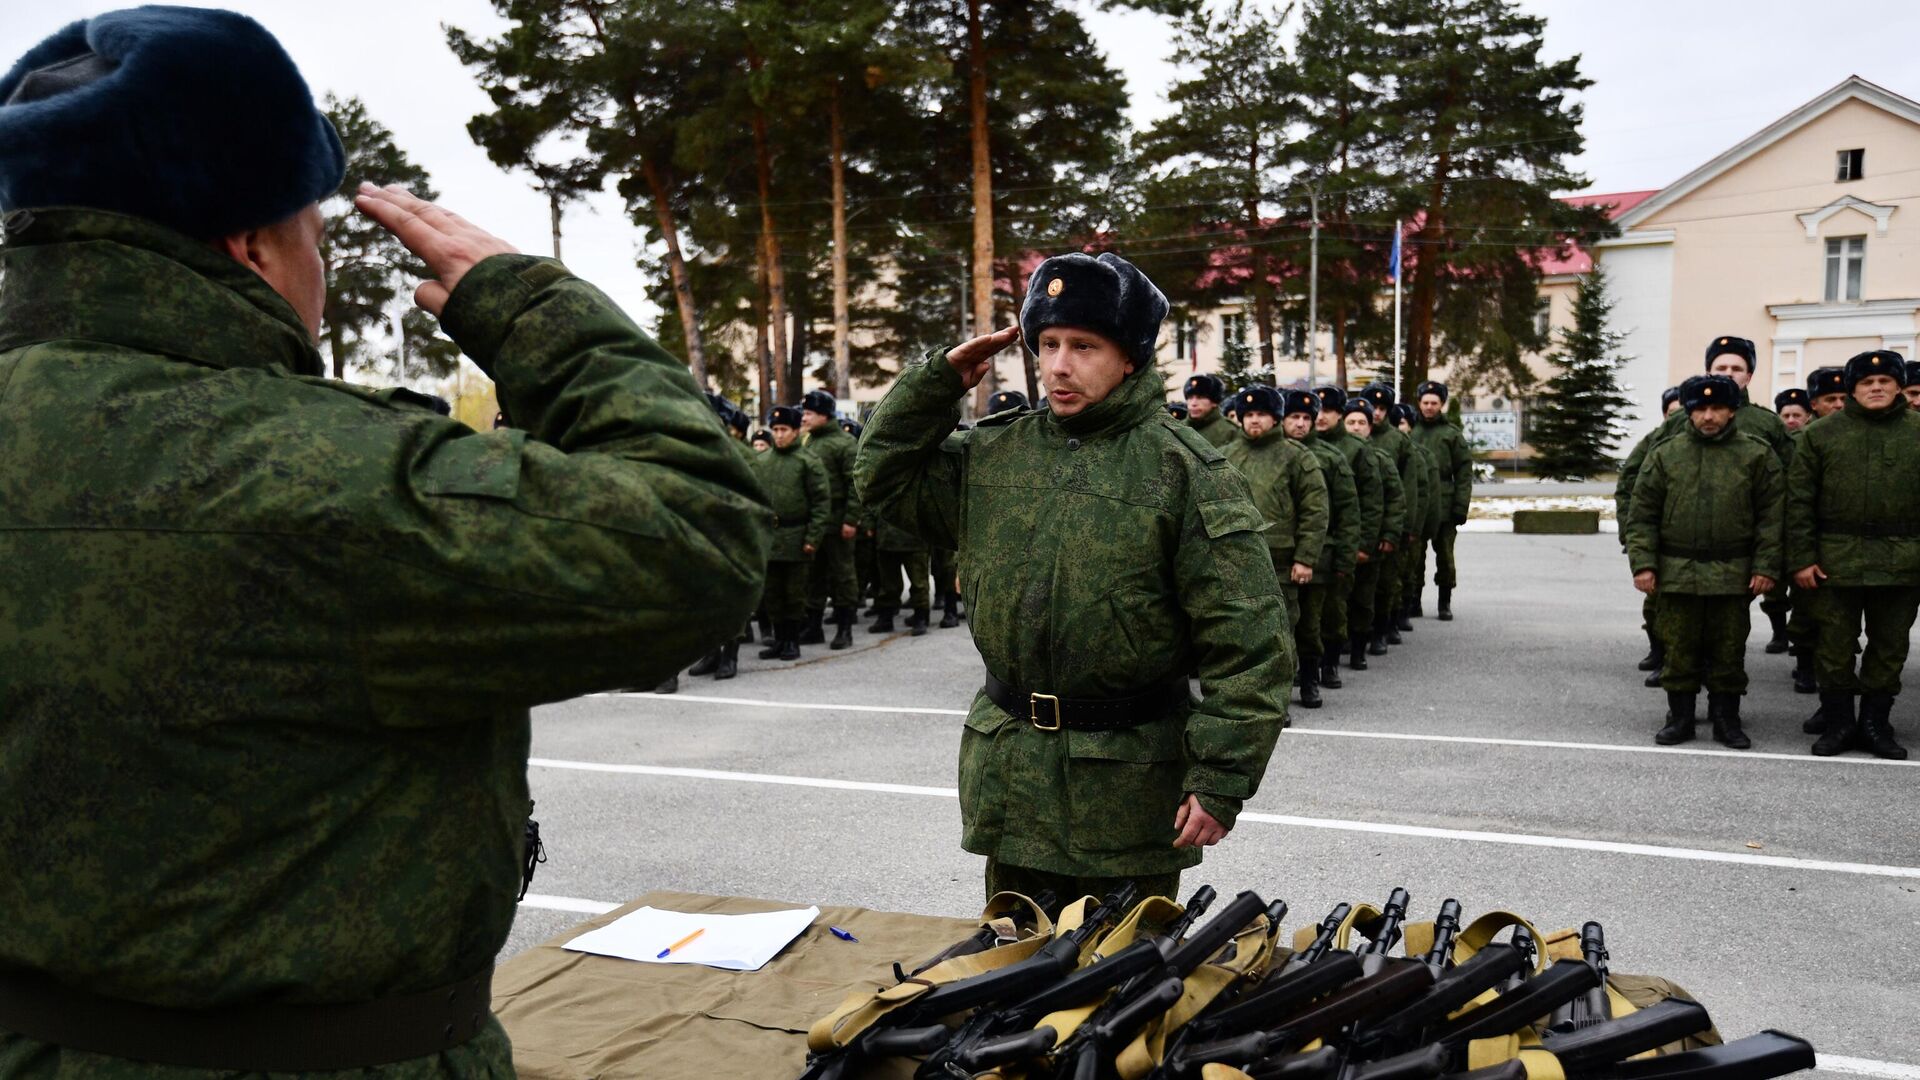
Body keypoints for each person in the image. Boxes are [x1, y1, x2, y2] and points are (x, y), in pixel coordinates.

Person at [0, 9, 772, 1075]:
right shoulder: (322, 474)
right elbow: (702, 540)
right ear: (252, 241)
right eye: (313, 230)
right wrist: (533, 304)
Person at [857, 252, 1290, 908]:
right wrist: (934, 384)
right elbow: (881, 482)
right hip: (1011, 771)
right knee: (1011, 969)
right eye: (1048, 343)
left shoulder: (1184, 473)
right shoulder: (995, 454)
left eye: (1084, 345)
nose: (1059, 365)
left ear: (1131, 358)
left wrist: (1222, 775)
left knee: (1123, 980)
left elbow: (1250, 644)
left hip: (1128, 785)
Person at [1625, 375, 1784, 748]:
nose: (1709, 416)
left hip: (1733, 573)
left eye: (1718, 408)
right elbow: (1642, 514)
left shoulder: (1757, 455)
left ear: (1732, 411)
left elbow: (1772, 517)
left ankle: (1727, 718)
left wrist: (1765, 566)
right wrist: (1644, 564)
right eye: (1701, 409)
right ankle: (1679, 717)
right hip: (1677, 572)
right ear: (1690, 413)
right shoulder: (1665, 454)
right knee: (1679, 648)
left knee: (1729, 648)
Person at [1786, 350, 1918, 759]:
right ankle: (1840, 722)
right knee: (1834, 646)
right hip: (1834, 561)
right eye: (1866, 383)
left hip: (1903, 561)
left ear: (1898, 386)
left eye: (1884, 381)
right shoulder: (1821, 434)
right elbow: (1798, 502)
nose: (1876, 387)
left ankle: (1876, 724)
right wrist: (1802, 558)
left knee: (1890, 646)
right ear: (1853, 389)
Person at [1225, 386, 1329, 710]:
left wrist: (1305, 558)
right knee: (1240, 632)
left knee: (1282, 631)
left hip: (1280, 560)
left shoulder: (1297, 456)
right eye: (1249, 415)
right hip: (1235, 560)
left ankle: (1280, 699)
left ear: (1275, 419)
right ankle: (1243, 696)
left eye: (1262, 415)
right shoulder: (1225, 455)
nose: (1254, 421)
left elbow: (1315, 510)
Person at [1283, 390, 1356, 708]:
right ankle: (1284, 683)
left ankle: (1311, 678)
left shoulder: (1328, 458)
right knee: (1280, 627)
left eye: (1305, 419)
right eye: (1293, 417)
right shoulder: (1270, 455)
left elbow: (1346, 512)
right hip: (1275, 557)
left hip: (1318, 557)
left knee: (1311, 624)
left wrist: (1344, 558)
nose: (1300, 424)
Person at [1617, 386, 1686, 685]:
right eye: (1674, 413)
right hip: (1657, 541)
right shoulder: (1653, 445)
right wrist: (1629, 538)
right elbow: (1628, 488)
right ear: (1664, 415)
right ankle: (1660, 653)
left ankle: (1674, 662)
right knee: (1656, 606)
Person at [1315, 386, 1384, 675]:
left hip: (1343, 537)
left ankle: (1348, 652)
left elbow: (1370, 502)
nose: (1320, 417)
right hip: (1313, 540)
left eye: (1327, 412)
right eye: (1317, 411)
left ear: (1339, 415)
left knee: (1343, 604)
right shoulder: (1302, 448)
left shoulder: (1357, 450)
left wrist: (1364, 543)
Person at [756, 406, 832, 661]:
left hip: (797, 537)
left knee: (795, 593)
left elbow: (821, 503)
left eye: (784, 430)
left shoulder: (808, 462)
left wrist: (812, 538)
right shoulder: (762, 461)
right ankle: (778, 639)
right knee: (772, 594)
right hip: (770, 538)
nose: (778, 435)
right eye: (775, 430)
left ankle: (791, 641)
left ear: (796, 431)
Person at [800, 388, 863, 650]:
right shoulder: (809, 441)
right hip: (816, 522)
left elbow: (856, 484)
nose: (803, 418)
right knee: (815, 575)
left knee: (842, 574)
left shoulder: (844, 444)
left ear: (824, 415)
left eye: (809, 413)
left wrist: (851, 519)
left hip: (838, 521)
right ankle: (814, 627)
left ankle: (844, 629)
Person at [1408, 381, 1473, 619]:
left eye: (1434, 403)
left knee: (1445, 556)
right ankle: (1413, 601)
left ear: (1442, 404)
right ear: (1419, 403)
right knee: (1415, 557)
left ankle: (1444, 601)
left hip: (1445, 506)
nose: (1429, 407)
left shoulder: (1451, 435)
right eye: (1425, 402)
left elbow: (1464, 473)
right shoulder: (1410, 431)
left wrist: (1460, 507)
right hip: (1418, 506)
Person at [1358, 384, 1415, 654]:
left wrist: (1400, 529)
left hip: (1387, 524)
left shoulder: (1398, 441)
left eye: (1381, 409)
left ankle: (1382, 629)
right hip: (1360, 524)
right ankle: (1357, 633)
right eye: (1372, 408)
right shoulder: (1354, 435)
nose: (1376, 413)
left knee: (1385, 582)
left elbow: (1406, 489)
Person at [1183, 373, 1233, 448]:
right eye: (1190, 398)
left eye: (1200, 397)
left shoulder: (1230, 431)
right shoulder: (1177, 427)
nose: (1193, 403)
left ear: (1214, 402)